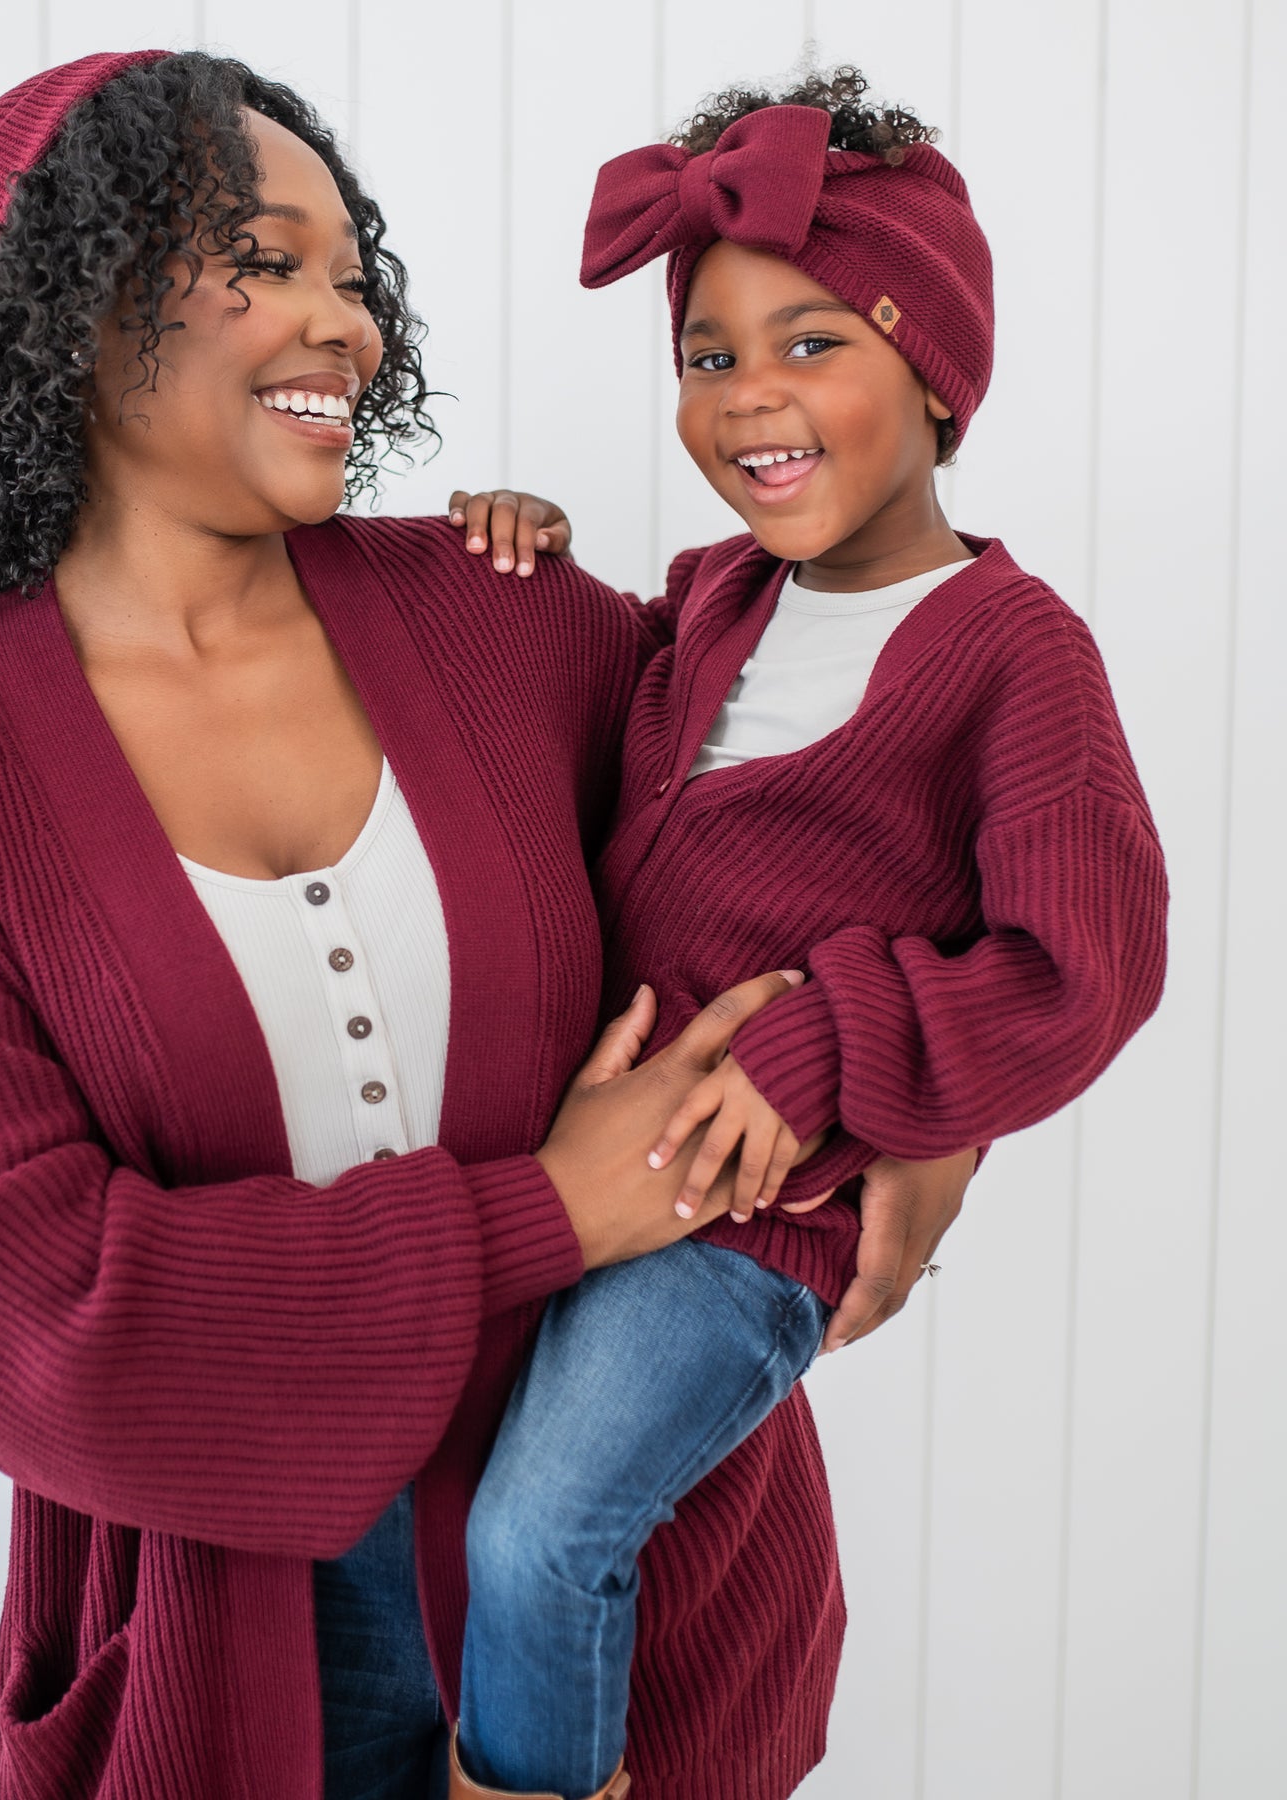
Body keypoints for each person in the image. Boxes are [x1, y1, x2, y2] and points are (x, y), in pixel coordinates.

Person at [0, 48, 975, 1800]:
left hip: (652, 1574)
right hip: (229, 1637)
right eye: (264, 260)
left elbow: (860, 821)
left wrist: (933, 1112)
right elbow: (21, 1313)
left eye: (353, 276)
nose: (343, 325)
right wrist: (551, 1211)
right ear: (62, 299)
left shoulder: (504, 623)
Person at [442, 67, 1169, 1800]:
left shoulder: (1013, 654)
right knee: (475, 1505)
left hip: (749, 1230)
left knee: (543, 1535)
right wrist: (510, 553)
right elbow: (574, 737)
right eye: (709, 357)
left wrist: (826, 1038)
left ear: (938, 369)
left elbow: (1087, 966)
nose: (752, 396)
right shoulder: (709, 604)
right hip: (590, 1168)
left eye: (815, 343)